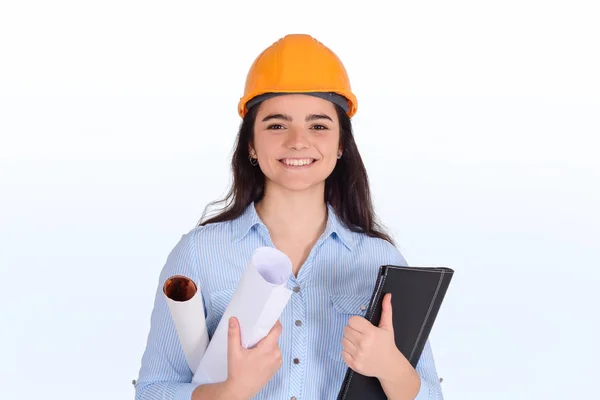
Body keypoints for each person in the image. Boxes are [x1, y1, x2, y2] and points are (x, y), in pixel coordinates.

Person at [134, 33, 444, 400]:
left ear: (341, 143)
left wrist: (391, 369)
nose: (298, 140)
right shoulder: (199, 254)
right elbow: (152, 392)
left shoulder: (381, 260)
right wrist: (231, 392)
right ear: (251, 142)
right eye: (277, 125)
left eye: (319, 125)